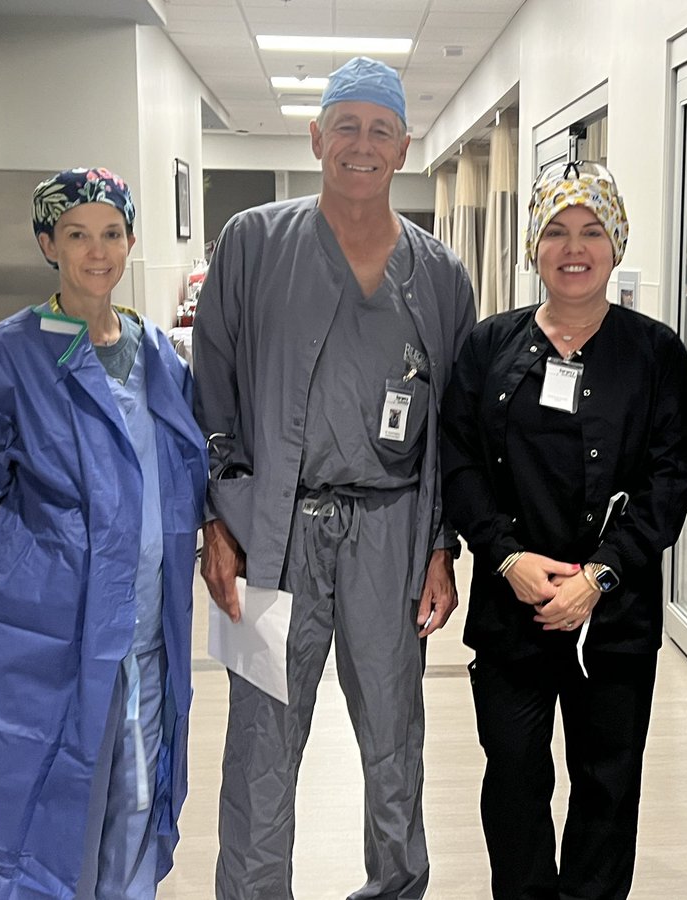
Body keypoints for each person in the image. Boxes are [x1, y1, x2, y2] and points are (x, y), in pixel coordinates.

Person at [192, 57, 475, 899]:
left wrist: (440, 547)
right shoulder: (251, 243)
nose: (362, 145)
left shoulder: (441, 275)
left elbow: (454, 427)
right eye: (345, 127)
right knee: (260, 746)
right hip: (269, 532)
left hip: (392, 534)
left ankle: (396, 888)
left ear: (404, 146)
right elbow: (210, 388)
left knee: (395, 737)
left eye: (380, 130)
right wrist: (216, 521)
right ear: (316, 139)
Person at [0, 168, 208, 898]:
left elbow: (184, 469)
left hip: (147, 631)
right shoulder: (13, 353)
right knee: (34, 800)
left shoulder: (156, 353)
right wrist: (32, 568)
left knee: (135, 797)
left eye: (110, 233)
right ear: (49, 244)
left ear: (130, 241)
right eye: (76, 235)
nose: (96, 252)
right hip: (48, 633)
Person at [441, 161, 687, 899]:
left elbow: (669, 480)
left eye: (592, 230)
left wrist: (599, 576)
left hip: (612, 618)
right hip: (512, 611)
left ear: (615, 244)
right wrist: (505, 556)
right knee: (515, 779)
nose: (574, 246)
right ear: (533, 247)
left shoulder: (655, 356)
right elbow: (458, 462)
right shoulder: (488, 348)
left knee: (607, 786)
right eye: (556, 231)